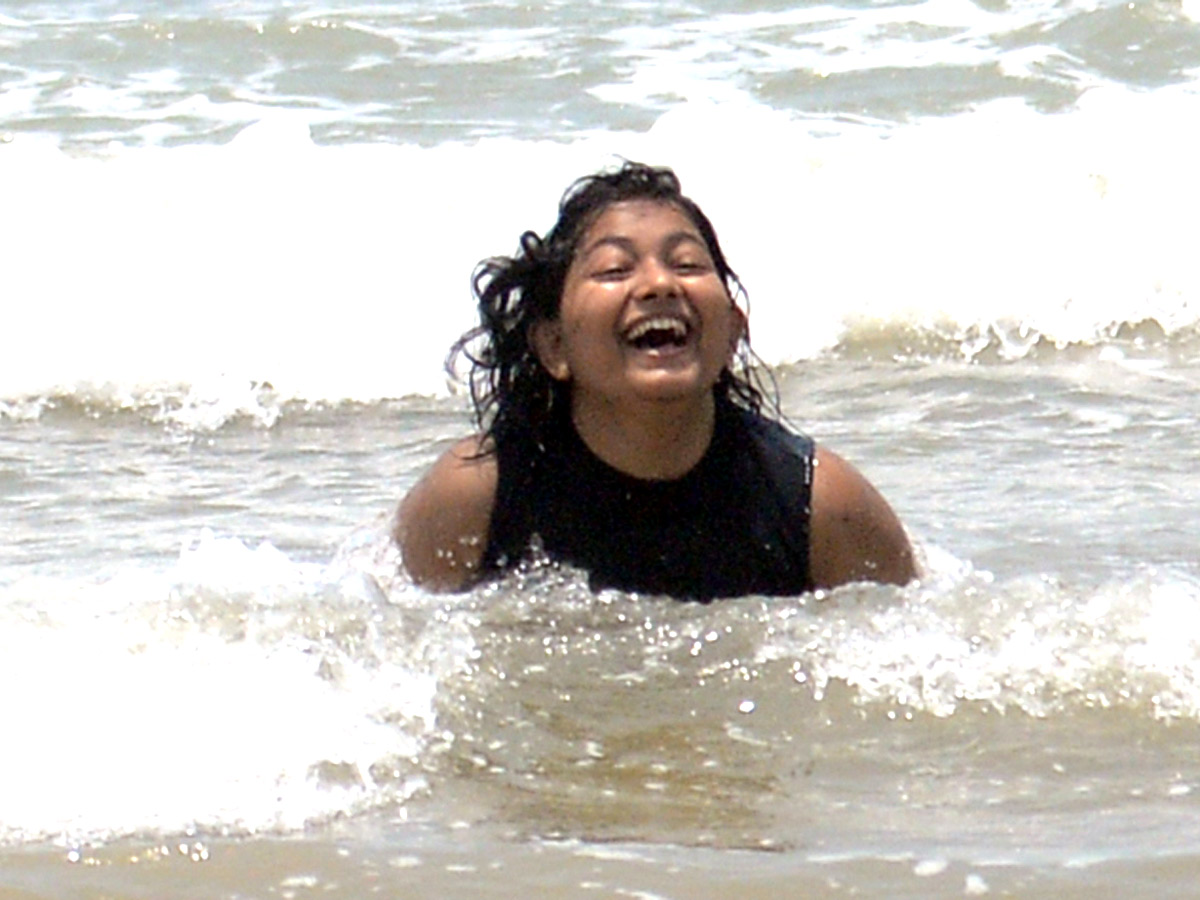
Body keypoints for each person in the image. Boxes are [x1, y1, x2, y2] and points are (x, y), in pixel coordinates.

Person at [395, 161, 915, 600]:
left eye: (686, 263)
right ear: (554, 346)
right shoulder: (478, 495)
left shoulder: (820, 505)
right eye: (615, 270)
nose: (660, 284)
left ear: (733, 330)